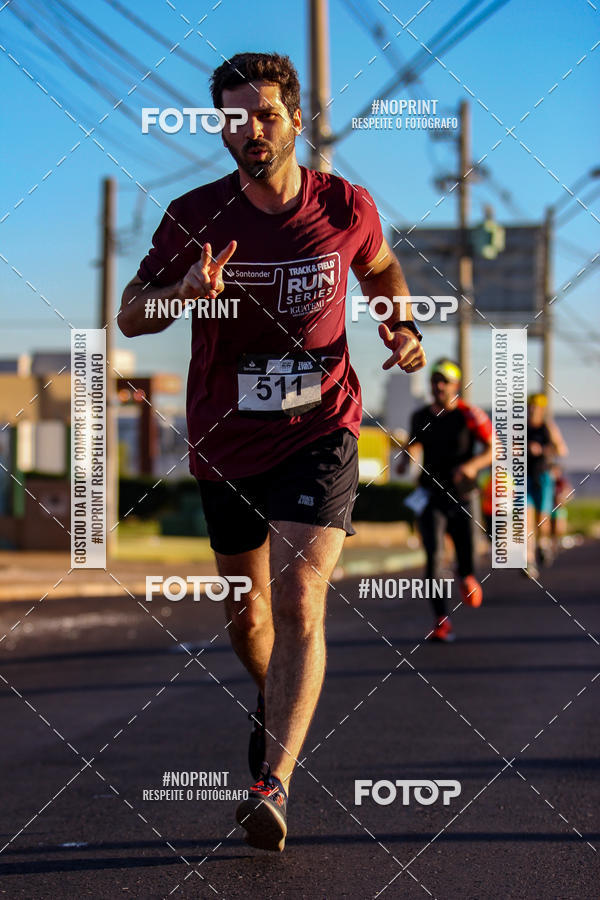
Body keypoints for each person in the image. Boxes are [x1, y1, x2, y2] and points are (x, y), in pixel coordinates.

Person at [118, 52, 426, 852]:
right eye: (232, 117)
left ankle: (272, 781)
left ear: (296, 121)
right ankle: (278, 697)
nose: (248, 131)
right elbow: (130, 316)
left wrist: (399, 321)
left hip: (321, 430)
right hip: (226, 437)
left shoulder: (345, 205)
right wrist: (180, 292)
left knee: (297, 602)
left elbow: (380, 264)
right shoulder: (195, 214)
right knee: (248, 612)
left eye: (263, 115)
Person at [397, 360, 493, 642]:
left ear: (455, 386)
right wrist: (403, 461)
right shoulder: (419, 416)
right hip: (430, 495)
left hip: (463, 495)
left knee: (468, 553)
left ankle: (466, 576)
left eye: (444, 381)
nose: (438, 386)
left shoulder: (469, 415)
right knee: (434, 556)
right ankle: (441, 619)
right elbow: (412, 444)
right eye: (434, 380)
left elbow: (493, 449)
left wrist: (473, 466)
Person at [525, 394, 567, 578]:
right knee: (525, 520)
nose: (533, 409)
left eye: (537, 407)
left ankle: (543, 544)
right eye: (531, 406)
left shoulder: (547, 427)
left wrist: (541, 450)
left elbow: (562, 450)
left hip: (543, 477)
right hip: (523, 477)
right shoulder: (520, 426)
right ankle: (528, 561)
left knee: (542, 519)